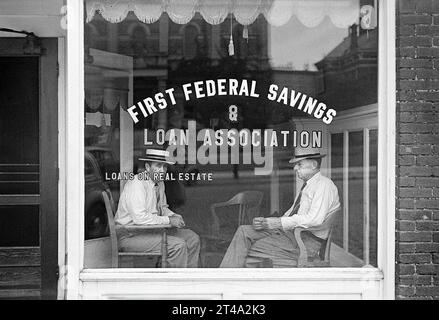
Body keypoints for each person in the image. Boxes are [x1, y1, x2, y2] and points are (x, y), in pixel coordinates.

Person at [220, 149, 340, 268]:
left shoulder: (324, 185)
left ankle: (227, 281)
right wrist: (268, 222)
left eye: (299, 164)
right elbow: (293, 211)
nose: (295, 168)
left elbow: (314, 219)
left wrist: (278, 222)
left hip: (303, 242)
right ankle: (224, 277)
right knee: (243, 231)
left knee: (248, 249)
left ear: (313, 165)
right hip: (290, 233)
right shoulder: (309, 184)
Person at [115, 148, 200, 268]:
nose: (162, 170)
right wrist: (169, 220)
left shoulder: (159, 183)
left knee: (192, 238)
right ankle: (173, 283)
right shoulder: (137, 184)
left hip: (151, 231)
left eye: (165, 167)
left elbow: (162, 208)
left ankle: (188, 279)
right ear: (148, 167)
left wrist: (172, 215)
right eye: (158, 166)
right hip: (130, 236)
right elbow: (140, 218)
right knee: (177, 245)